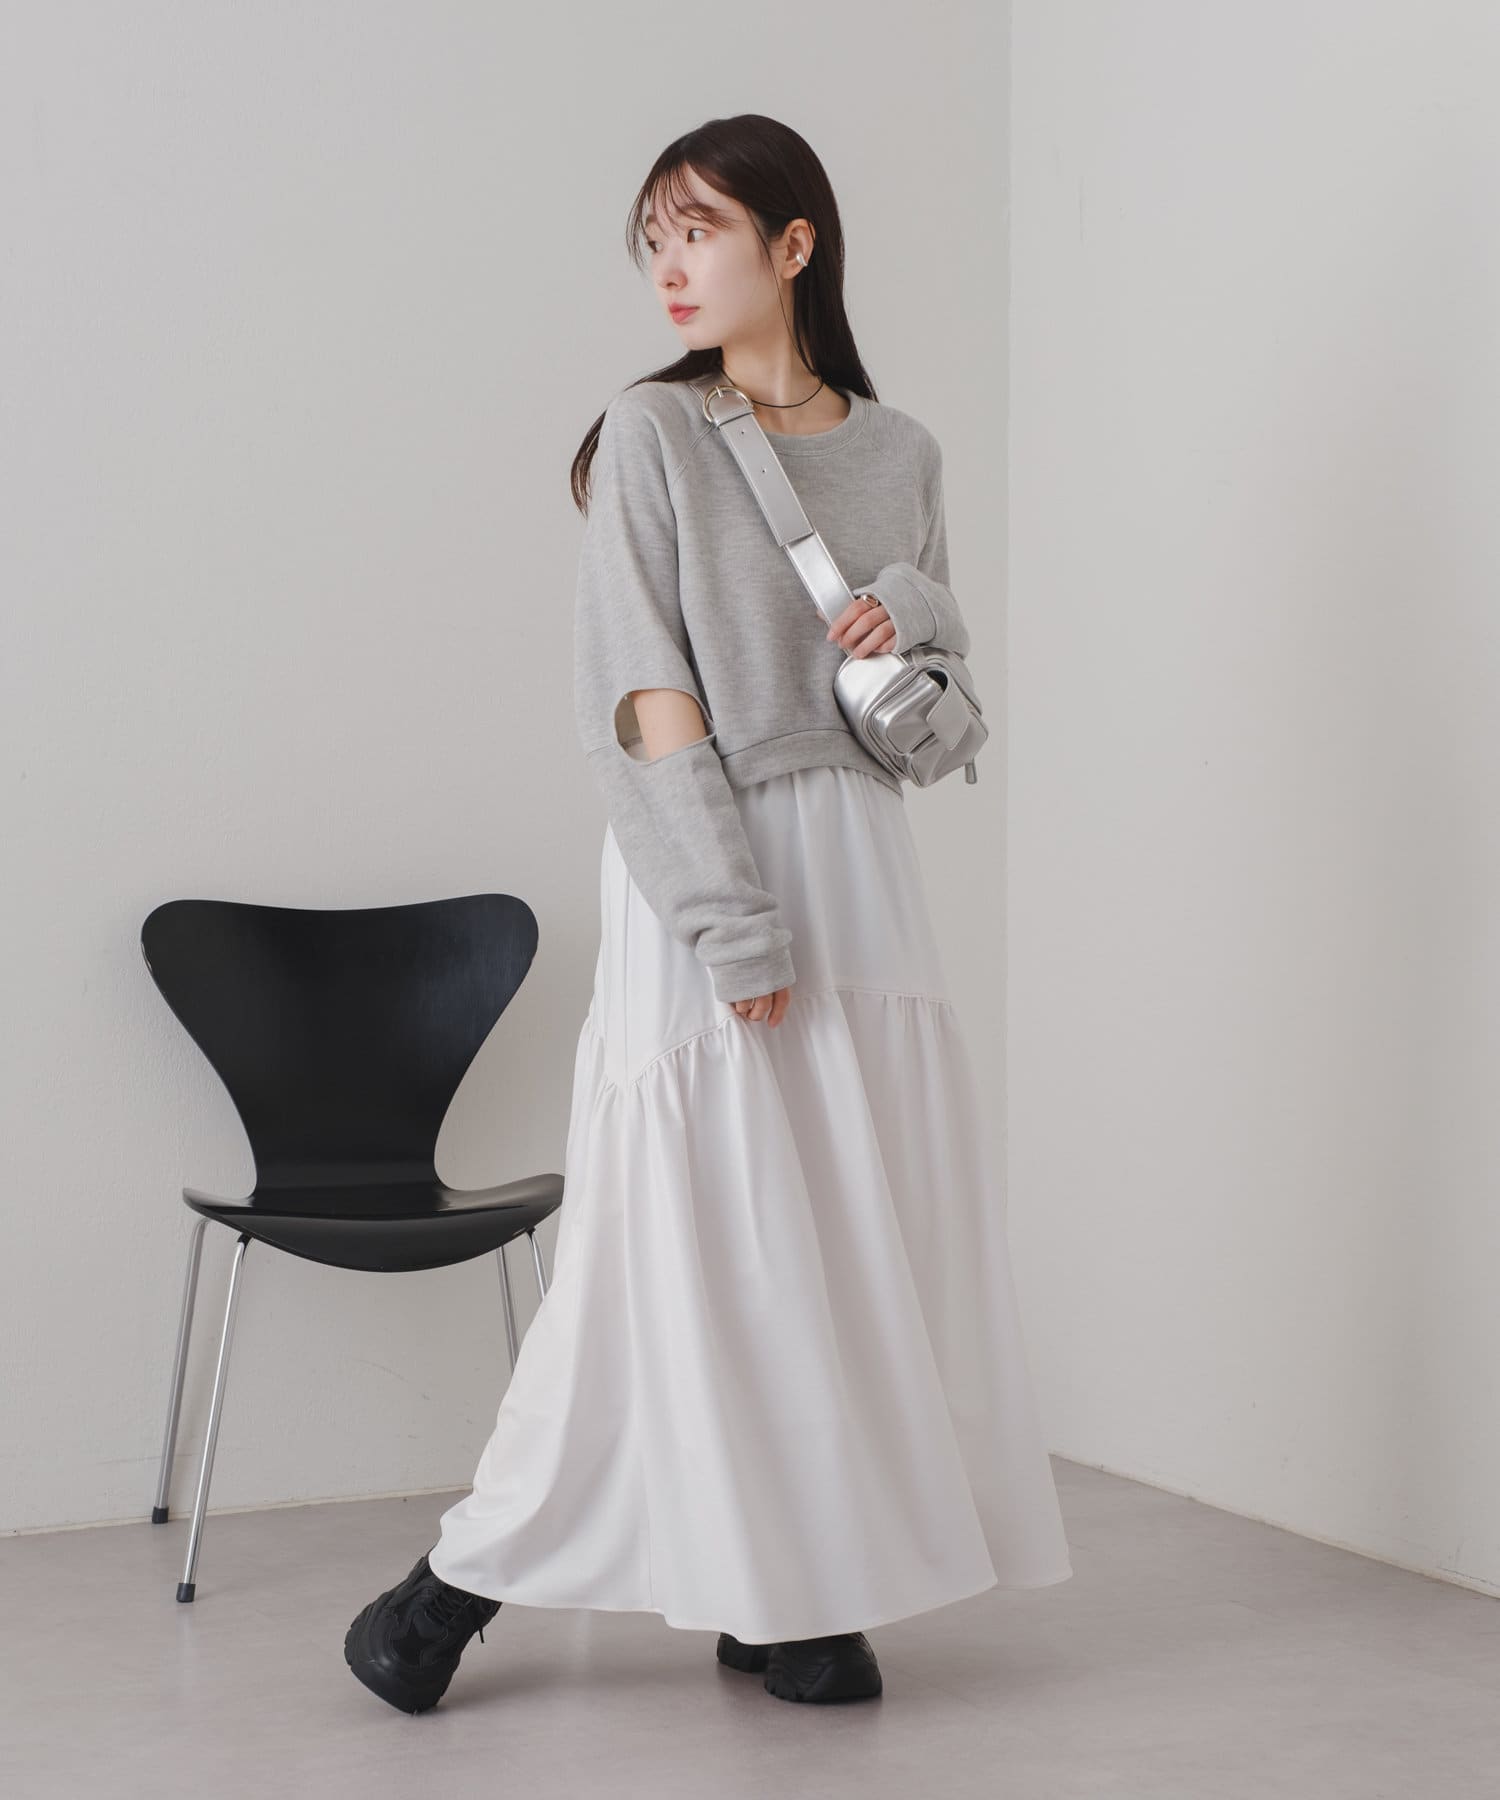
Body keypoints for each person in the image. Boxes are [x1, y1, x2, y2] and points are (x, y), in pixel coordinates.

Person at [344, 112, 1072, 1717]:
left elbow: (929, 713)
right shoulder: (652, 433)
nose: (670, 267)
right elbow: (646, 695)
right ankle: (456, 1583)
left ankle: (792, 1589)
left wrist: (919, 617)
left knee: (844, 1226)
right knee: (685, 1233)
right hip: (707, 854)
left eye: (700, 231)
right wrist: (728, 921)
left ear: (791, 244)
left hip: (863, 858)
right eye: (655, 239)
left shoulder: (902, 452)